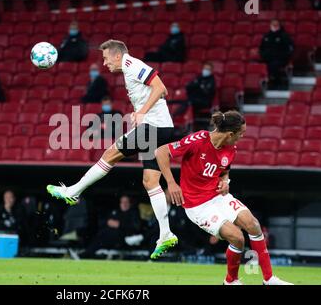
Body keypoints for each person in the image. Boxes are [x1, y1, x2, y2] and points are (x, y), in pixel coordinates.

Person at [47, 39, 178, 259]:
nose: (105, 63)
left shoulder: (131, 65)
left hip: (153, 126)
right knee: (150, 182)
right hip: (162, 128)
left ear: (118, 56)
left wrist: (143, 111)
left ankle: (73, 191)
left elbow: (161, 87)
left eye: (106, 58)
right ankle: (165, 234)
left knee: (110, 153)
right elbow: (159, 93)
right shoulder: (129, 70)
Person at [155, 110, 292, 285]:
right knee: (237, 238)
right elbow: (161, 152)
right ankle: (231, 281)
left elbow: (224, 171)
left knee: (254, 225)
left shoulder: (230, 149)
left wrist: (226, 181)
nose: (241, 137)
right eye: (241, 134)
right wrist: (171, 183)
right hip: (198, 206)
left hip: (218, 196)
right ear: (230, 134)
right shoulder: (198, 140)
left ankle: (269, 279)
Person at [260, 19, 294, 89]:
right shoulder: (267, 36)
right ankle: (263, 83)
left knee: (273, 65)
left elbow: (290, 48)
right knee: (257, 65)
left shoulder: (284, 36)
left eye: (276, 25)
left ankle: (277, 83)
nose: (274, 26)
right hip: (268, 58)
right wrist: (263, 55)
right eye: (273, 25)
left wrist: (284, 56)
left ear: (279, 25)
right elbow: (261, 48)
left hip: (281, 59)